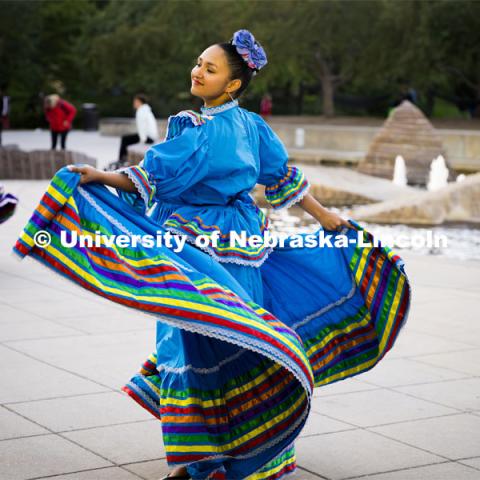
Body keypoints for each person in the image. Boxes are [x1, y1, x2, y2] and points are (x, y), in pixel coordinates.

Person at [15, 30, 410, 480]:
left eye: (209, 67)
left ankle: (198, 460)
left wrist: (101, 177)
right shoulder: (248, 127)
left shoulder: (199, 129)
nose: (197, 71)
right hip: (241, 245)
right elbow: (278, 179)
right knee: (235, 340)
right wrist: (325, 218)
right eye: (198, 63)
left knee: (192, 340)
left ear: (233, 84)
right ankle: (235, 451)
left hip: (200, 248)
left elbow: (153, 175)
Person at [118, 94, 159, 165]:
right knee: (127, 138)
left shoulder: (141, 111)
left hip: (147, 138)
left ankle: (121, 160)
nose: (134, 104)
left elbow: (142, 126)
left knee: (125, 139)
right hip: (151, 137)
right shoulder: (146, 110)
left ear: (139, 102)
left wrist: (143, 140)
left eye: (135, 102)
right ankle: (124, 159)